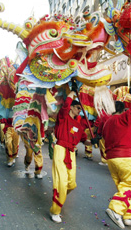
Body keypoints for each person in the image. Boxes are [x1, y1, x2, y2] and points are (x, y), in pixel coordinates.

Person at [100, 87, 131, 229]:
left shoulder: (107, 123)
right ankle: (116, 209)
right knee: (130, 185)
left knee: (127, 187)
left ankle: (129, 215)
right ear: (123, 110)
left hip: (111, 159)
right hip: (124, 157)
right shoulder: (123, 118)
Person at [49, 90, 91, 223]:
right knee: (61, 181)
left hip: (71, 152)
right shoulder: (63, 117)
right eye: (78, 107)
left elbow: (84, 140)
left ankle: (59, 197)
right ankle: (55, 210)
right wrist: (72, 92)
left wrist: (93, 141)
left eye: (80, 108)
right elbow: (65, 106)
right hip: (61, 149)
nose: (79, 110)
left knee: (71, 184)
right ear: (72, 107)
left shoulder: (78, 124)